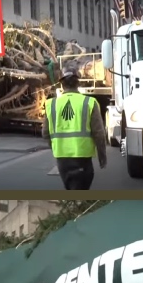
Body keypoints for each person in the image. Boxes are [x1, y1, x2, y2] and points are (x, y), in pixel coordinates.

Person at [42, 62, 107, 190]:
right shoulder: (89, 102)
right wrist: (102, 156)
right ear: (79, 82)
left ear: (61, 83)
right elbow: (99, 133)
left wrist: (56, 147)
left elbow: (45, 133)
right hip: (82, 158)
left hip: (62, 160)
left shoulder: (51, 104)